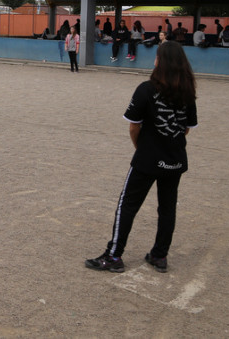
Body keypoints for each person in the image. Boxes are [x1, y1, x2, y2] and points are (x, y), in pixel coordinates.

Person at [85, 41, 198, 274]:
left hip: (148, 159)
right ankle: (159, 255)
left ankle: (114, 255)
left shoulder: (146, 89)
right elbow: (186, 128)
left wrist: (142, 148)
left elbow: (134, 127)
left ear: (161, 61)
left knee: (127, 205)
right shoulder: (188, 93)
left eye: (157, 57)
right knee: (167, 209)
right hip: (175, 159)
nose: (154, 60)